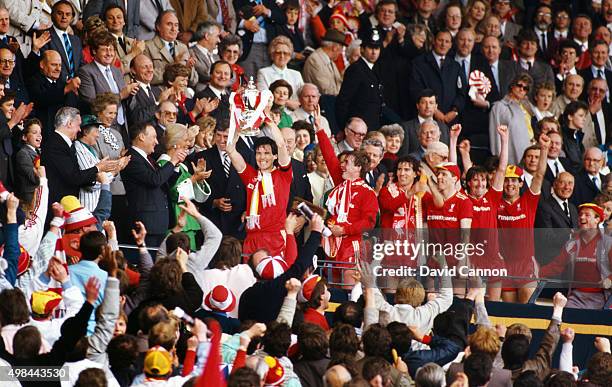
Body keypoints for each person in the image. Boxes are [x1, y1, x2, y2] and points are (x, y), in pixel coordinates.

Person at [315, 106, 378, 286]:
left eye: (347, 163)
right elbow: (329, 157)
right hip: (333, 245)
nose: (341, 166)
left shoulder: (367, 192)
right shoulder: (341, 182)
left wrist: (344, 230)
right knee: (331, 289)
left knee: (349, 290)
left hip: (352, 246)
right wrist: (320, 130)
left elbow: (369, 223)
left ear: (358, 168)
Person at [226, 115, 292, 256]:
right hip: (251, 238)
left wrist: (269, 122)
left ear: (275, 156)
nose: (262, 157)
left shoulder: (283, 175)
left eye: (267, 153)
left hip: (274, 239)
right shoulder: (251, 175)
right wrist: (238, 128)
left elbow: (280, 145)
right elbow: (231, 150)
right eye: (258, 153)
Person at [497, 134, 550, 303]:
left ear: (521, 183)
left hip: (525, 265)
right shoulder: (495, 203)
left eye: (514, 180)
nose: (510, 184)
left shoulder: (529, 201)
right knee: (508, 312)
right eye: (506, 180)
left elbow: (539, 175)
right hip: (504, 265)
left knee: (526, 311)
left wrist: (544, 149)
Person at [121, 121, 188, 247]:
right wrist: (172, 161)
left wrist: (176, 166)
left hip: (157, 223)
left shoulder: (148, 159)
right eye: (154, 137)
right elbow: (154, 180)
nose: (157, 142)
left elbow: (164, 184)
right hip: (145, 225)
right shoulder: (131, 158)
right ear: (141, 137)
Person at [41, 107, 117, 210]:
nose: (79, 129)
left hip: (66, 205)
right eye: (78, 125)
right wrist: (98, 168)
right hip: (58, 206)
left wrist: (97, 176)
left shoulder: (64, 144)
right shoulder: (55, 145)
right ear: (70, 124)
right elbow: (73, 177)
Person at [157, 123, 211, 249]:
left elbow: (197, 197)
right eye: (185, 140)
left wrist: (199, 178)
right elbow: (174, 194)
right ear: (175, 142)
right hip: (176, 218)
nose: (189, 143)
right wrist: (193, 179)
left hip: (188, 217)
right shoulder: (163, 164)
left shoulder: (182, 165)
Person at [410, 29, 466, 126]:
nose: (443, 44)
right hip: (426, 120)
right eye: (440, 40)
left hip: (450, 121)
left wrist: (454, 110)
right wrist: (434, 111)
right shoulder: (419, 63)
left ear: (451, 45)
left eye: (447, 41)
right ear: (433, 41)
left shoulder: (455, 66)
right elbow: (416, 90)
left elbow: (461, 92)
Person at [336, 28, 384, 132]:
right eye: (370, 48)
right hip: (357, 130)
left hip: (372, 127)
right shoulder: (356, 69)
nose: (374, 52)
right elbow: (343, 101)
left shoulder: (375, 69)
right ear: (362, 49)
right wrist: (343, 129)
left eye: (377, 48)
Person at [25, 50, 80, 138]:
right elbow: (43, 99)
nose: (58, 69)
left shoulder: (62, 83)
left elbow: (73, 106)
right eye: (54, 65)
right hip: (45, 134)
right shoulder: (33, 81)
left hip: (65, 134)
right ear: (42, 65)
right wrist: (66, 89)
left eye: (60, 65)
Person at [143, 10, 198, 87]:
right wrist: (174, 66)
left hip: (182, 93)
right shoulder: (147, 46)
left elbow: (194, 81)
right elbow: (147, 76)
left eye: (176, 25)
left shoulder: (183, 47)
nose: (173, 29)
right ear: (158, 26)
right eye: (169, 24)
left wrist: (188, 68)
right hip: (160, 93)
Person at [489, 73, 535, 165]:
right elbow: (495, 137)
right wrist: (498, 162)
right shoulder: (499, 107)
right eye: (519, 85)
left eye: (525, 88)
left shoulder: (528, 107)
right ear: (512, 85)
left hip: (529, 154)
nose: (522, 89)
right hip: (510, 157)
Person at [257, 35, 304, 110]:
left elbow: (302, 99)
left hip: (295, 114)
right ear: (272, 55)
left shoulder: (296, 74)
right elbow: (264, 98)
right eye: (278, 53)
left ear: (290, 56)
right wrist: (288, 103)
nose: (282, 56)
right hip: (273, 113)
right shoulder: (263, 73)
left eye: (285, 53)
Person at [399, 89, 450, 157]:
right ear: (417, 105)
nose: (428, 106)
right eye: (423, 103)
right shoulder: (406, 128)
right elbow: (403, 156)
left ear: (436, 106)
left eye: (431, 103)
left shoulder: (443, 128)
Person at [303, 29, 345, 97]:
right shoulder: (315, 60)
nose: (340, 52)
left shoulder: (331, 62)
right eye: (341, 48)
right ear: (335, 47)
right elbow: (326, 91)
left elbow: (338, 83)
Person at [190, 21, 221, 91]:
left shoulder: (216, 57)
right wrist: (224, 76)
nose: (219, 40)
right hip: (202, 93)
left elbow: (231, 75)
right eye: (217, 36)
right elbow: (205, 74)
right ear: (207, 36)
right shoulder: (191, 53)